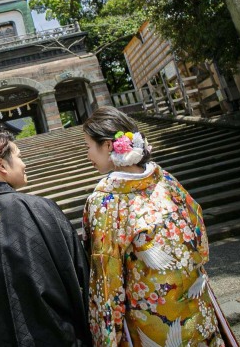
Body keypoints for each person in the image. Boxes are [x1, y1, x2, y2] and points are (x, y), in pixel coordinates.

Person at [81, 107, 224, 347]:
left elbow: (106, 276)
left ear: (107, 145)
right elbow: (198, 229)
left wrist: (106, 334)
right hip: (196, 304)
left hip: (152, 323)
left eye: (87, 146)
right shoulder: (165, 179)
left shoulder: (105, 201)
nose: (87, 155)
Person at [0, 131, 92, 346]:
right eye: (20, 156)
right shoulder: (43, 209)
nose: (24, 164)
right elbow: (81, 275)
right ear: (2, 165)